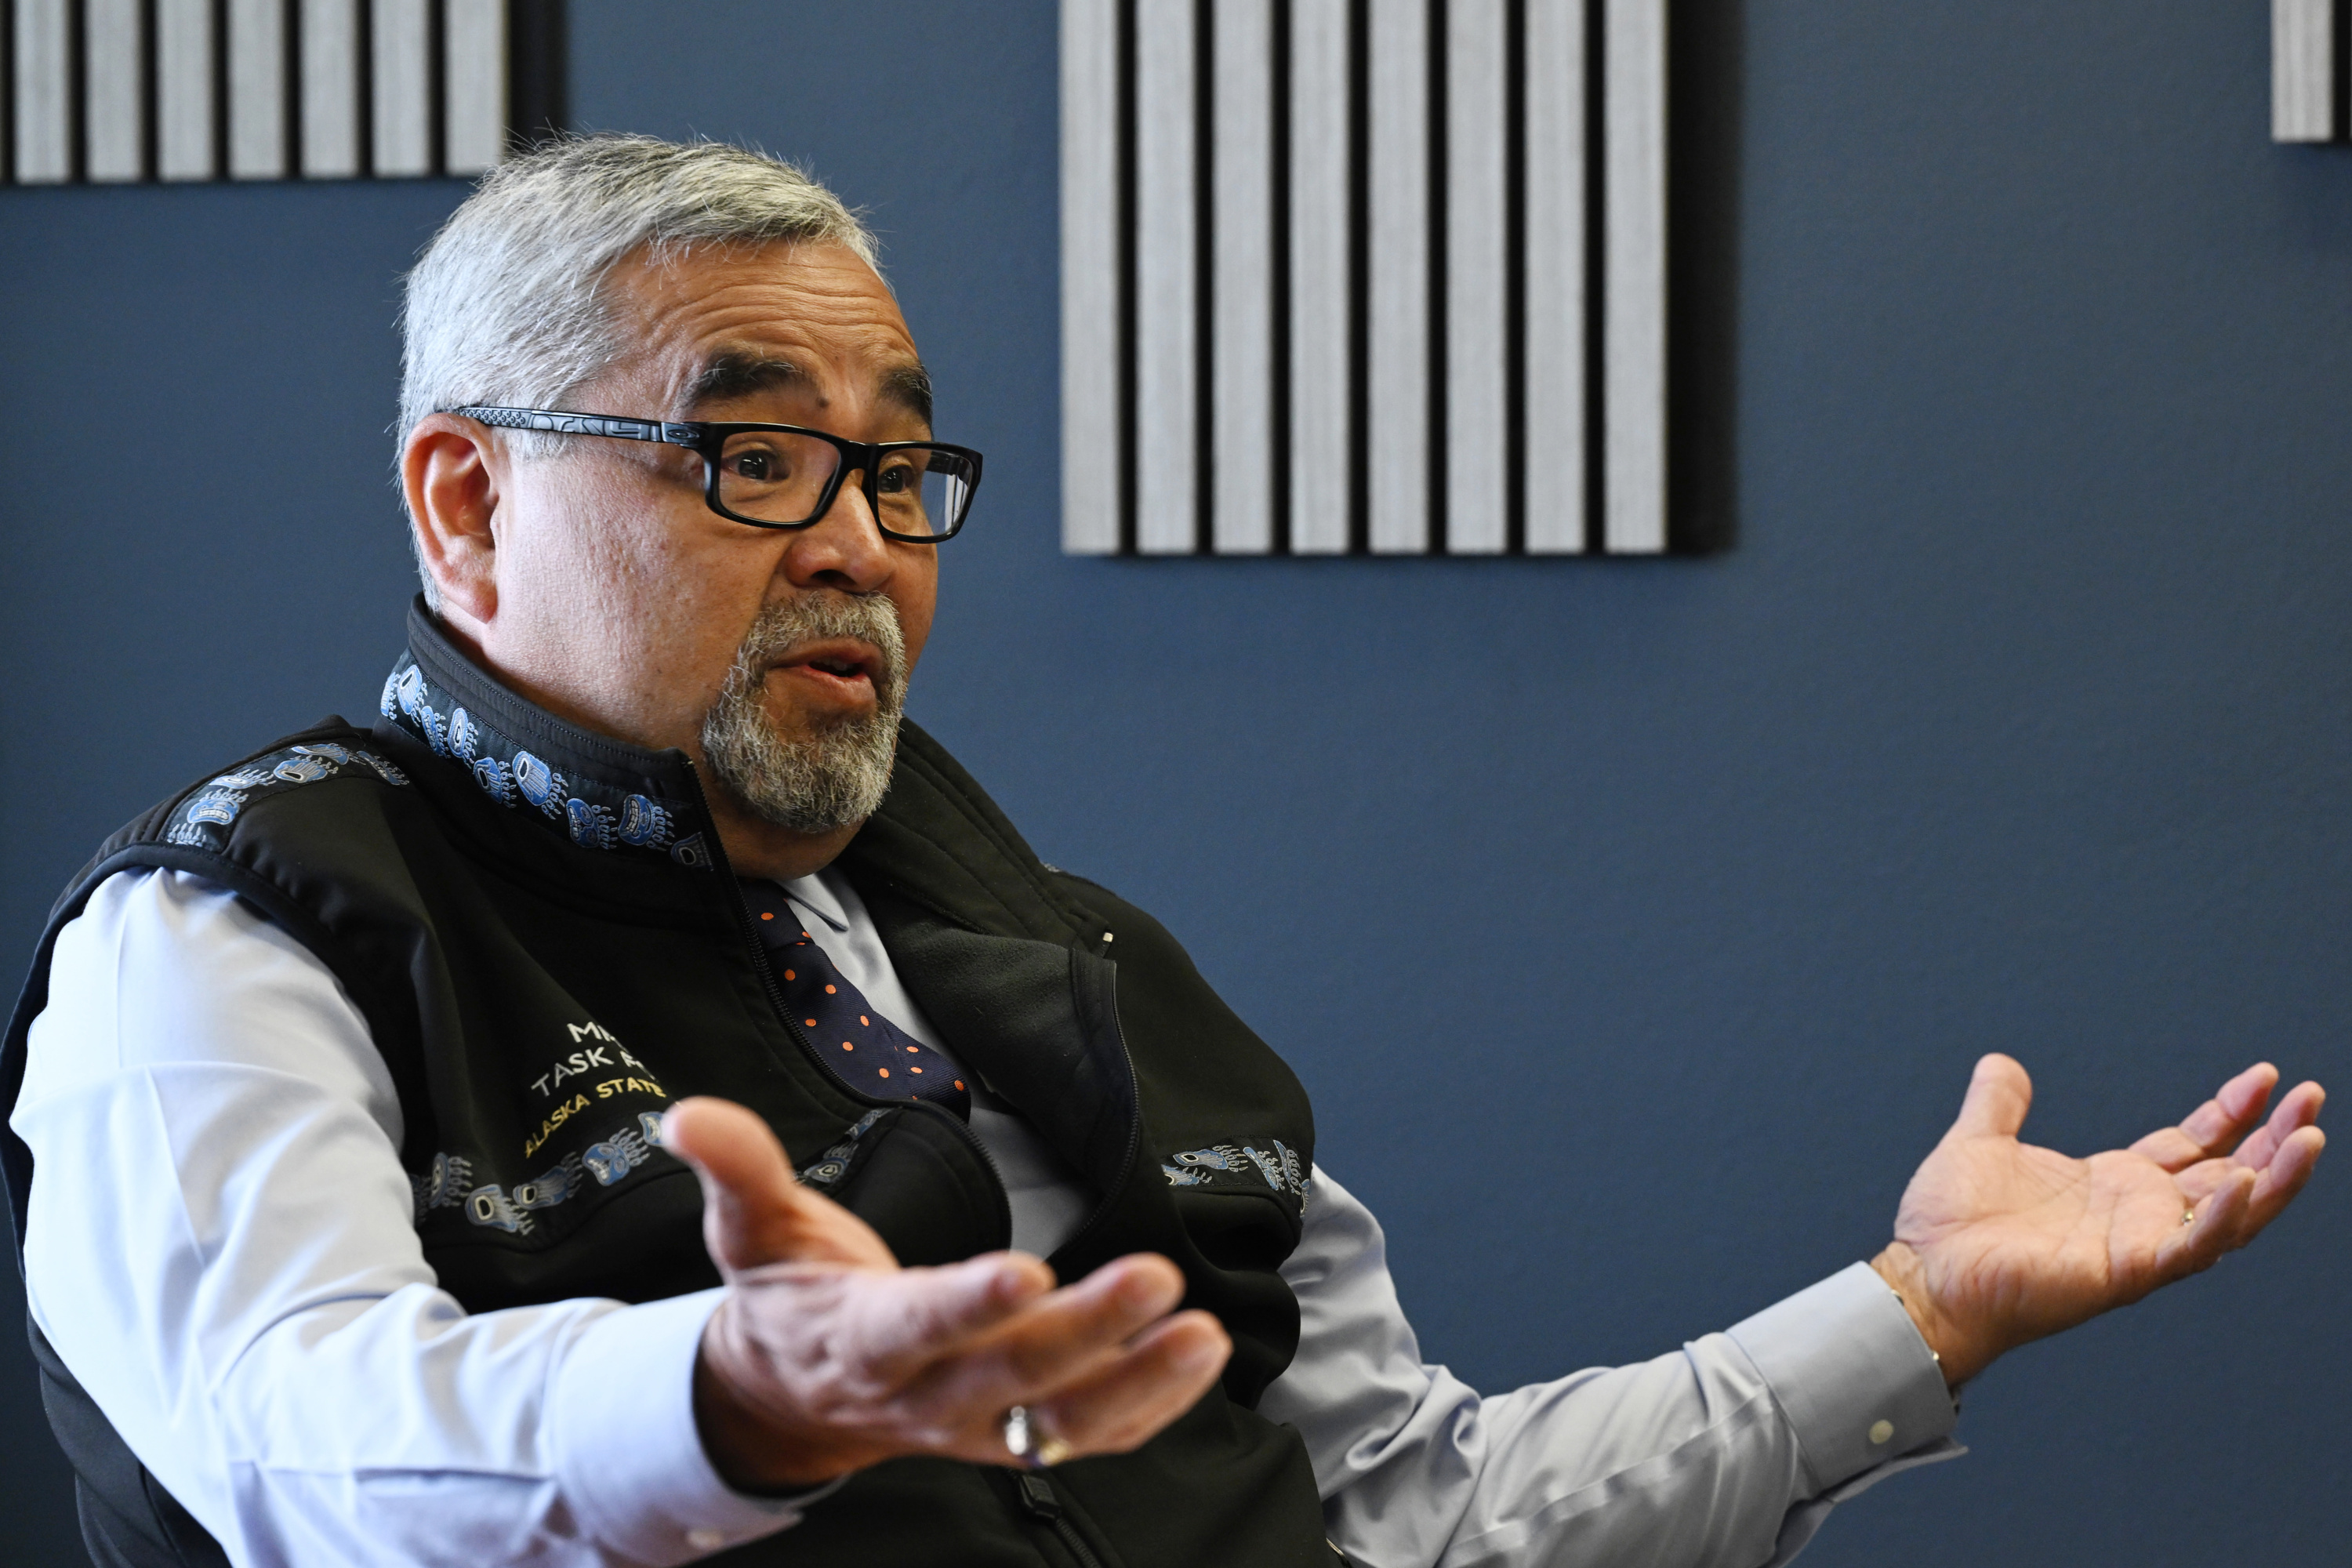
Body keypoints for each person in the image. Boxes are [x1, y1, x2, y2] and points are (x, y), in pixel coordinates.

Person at [2, 136, 2324, 1568]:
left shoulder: (1057, 959)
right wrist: (740, 1393)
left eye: (901, 477)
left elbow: (1405, 1521)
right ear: (466, 500)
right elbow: (299, 1450)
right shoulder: (233, 932)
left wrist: (1922, 1316)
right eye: (752, 463)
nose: (858, 555)